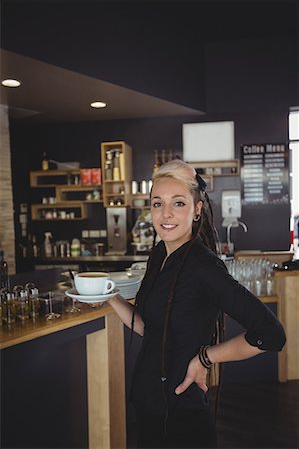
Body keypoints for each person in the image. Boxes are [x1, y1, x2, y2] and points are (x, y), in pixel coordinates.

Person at [107, 159, 286, 449]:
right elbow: (148, 327)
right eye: (157, 203)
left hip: (182, 416)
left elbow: (271, 334)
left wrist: (206, 358)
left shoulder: (204, 267)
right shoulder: (158, 256)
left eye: (178, 203)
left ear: (197, 209)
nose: (165, 214)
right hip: (148, 405)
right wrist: (108, 296)